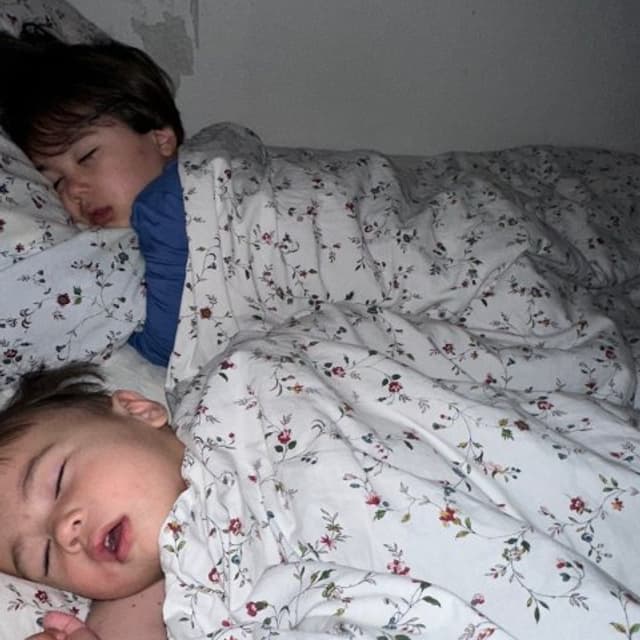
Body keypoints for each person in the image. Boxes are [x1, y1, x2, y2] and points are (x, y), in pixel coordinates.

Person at [0, 29, 188, 367]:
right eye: (56, 183)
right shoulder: (123, 251)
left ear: (161, 140)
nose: (73, 190)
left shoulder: (166, 202)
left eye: (87, 156)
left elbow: (170, 344)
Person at [0, 363, 177, 639]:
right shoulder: (132, 610)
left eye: (58, 483)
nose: (63, 533)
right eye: (45, 558)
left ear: (138, 412)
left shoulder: (230, 402)